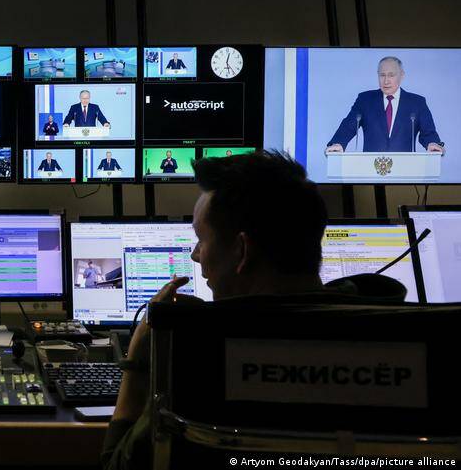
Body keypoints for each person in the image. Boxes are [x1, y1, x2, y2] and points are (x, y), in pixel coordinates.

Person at [101, 151, 407, 470]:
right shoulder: (399, 341)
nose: (195, 255)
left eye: (201, 240)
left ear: (242, 251)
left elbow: (117, 465)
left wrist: (139, 360)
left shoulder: (201, 355)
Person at [326, 56, 444, 154]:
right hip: (370, 168)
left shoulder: (417, 102)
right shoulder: (365, 100)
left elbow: (428, 133)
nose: (386, 81)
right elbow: (348, 126)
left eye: (391, 75)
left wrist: (432, 143)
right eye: (382, 75)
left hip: (405, 168)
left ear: (402, 75)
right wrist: (338, 143)